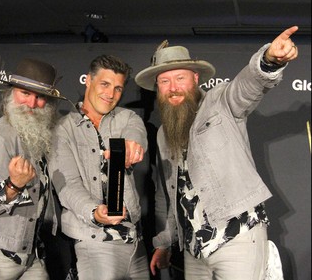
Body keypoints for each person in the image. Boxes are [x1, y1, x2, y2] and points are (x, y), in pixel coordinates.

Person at [134, 26, 299, 280]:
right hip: (194, 250)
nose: (173, 87)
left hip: (236, 235)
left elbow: (246, 88)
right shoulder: (163, 133)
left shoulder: (219, 101)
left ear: (196, 79)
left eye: (180, 78)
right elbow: (175, 193)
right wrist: (166, 243)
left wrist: (268, 61)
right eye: (164, 81)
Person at [0, 58, 69, 280]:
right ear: (11, 94)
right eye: (25, 93)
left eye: (39, 97)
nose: (31, 103)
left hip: (29, 252)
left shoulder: (38, 136)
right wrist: (13, 185)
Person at [48, 54, 150, 279]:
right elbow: (67, 185)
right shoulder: (62, 130)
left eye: (118, 88)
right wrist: (94, 212)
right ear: (88, 80)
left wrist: (132, 146)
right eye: (105, 84)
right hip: (94, 241)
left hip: (134, 241)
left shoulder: (127, 118)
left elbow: (137, 134)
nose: (110, 94)